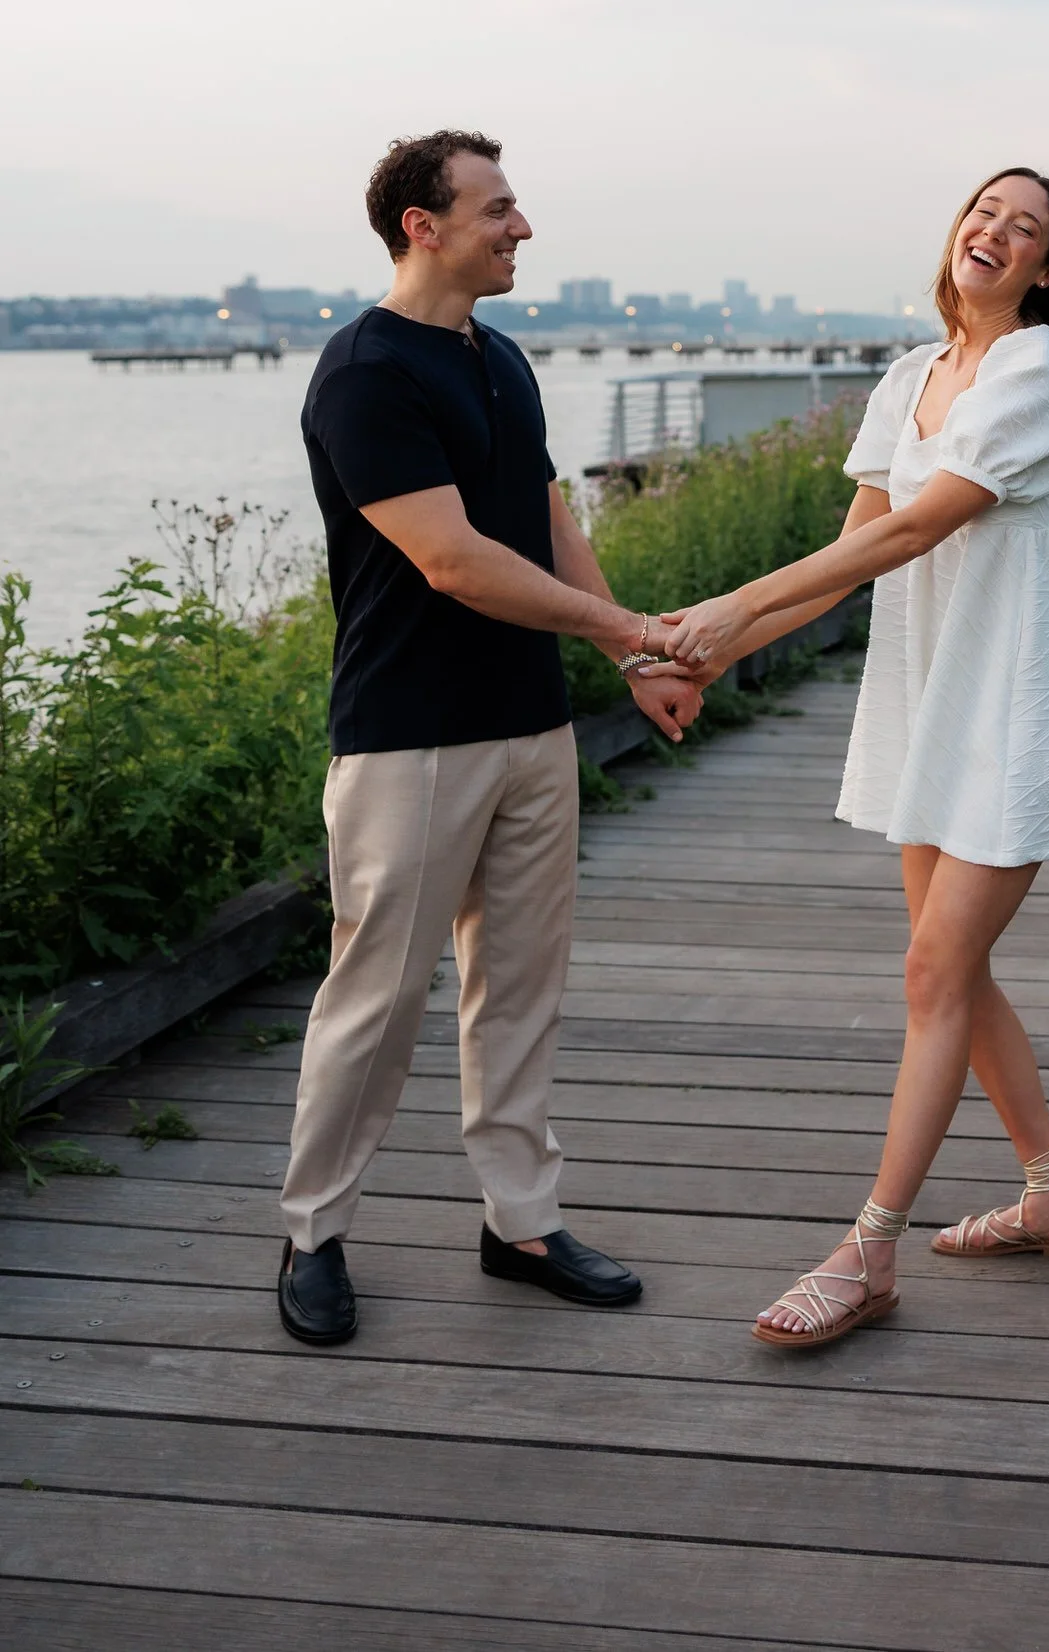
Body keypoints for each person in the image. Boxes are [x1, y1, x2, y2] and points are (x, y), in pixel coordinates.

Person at [661, 168, 1049, 1350]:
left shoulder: (1034, 368)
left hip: (1017, 700)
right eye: (981, 212)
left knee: (937, 972)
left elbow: (918, 525)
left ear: (1046, 267)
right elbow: (854, 552)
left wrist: (719, 613)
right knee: (951, 968)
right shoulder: (907, 377)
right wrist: (714, 658)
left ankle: (869, 1250)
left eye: (1023, 227)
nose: (992, 231)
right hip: (935, 697)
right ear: (956, 234)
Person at [277, 130, 702, 1348]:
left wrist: (630, 654)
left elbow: (543, 514)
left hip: (529, 728)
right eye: (499, 207)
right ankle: (313, 1230)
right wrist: (628, 623)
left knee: (518, 989)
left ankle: (520, 1221)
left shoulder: (500, 357)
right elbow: (455, 561)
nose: (521, 227)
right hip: (408, 737)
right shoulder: (365, 371)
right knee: (375, 995)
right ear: (423, 222)